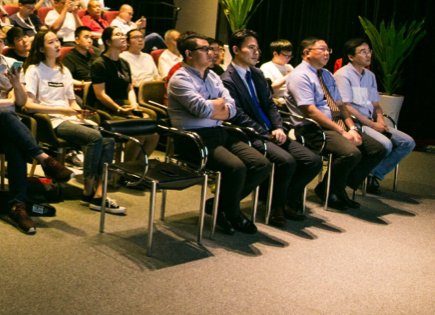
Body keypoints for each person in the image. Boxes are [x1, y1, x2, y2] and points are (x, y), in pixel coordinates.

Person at [0, 21, 74, 234]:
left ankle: (17, 205)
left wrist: (16, 85)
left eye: (0, 40)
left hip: (7, 125)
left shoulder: (12, 64)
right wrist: (8, 102)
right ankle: (43, 159)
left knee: (14, 140)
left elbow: (21, 101)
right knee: (6, 114)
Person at [167, 32, 271, 235]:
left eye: (211, 49)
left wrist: (215, 106)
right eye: (205, 49)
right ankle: (232, 213)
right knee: (236, 168)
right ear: (189, 54)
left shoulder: (213, 76)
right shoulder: (180, 79)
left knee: (261, 164)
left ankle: (219, 205)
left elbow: (232, 108)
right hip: (193, 138)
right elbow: (201, 110)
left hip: (218, 131)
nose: (211, 53)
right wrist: (218, 105)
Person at [220, 30, 321, 227]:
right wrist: (265, 132)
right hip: (251, 134)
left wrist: (278, 127)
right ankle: (276, 207)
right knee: (286, 161)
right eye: (251, 48)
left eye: (257, 48)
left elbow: (270, 104)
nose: (256, 52)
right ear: (236, 50)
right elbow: (237, 115)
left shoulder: (257, 74)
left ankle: (283, 199)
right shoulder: (227, 79)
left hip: (272, 131)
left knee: (313, 161)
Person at [23, 29, 124, 214]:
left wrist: (79, 113)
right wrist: (63, 111)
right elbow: (29, 106)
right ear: (41, 49)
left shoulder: (64, 71)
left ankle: (99, 193)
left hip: (68, 118)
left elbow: (71, 102)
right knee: (94, 137)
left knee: (108, 138)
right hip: (51, 121)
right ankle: (88, 191)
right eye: (51, 42)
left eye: (57, 41)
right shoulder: (34, 70)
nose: (57, 45)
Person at [285, 37, 387, 210]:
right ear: (307, 52)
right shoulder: (300, 75)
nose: (327, 53)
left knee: (377, 149)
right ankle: (332, 190)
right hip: (313, 128)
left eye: (328, 50)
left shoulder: (326, 74)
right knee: (350, 153)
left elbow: (340, 105)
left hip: (336, 124)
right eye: (322, 49)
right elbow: (311, 112)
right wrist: (342, 132)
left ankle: (335, 187)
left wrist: (351, 127)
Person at [335, 38, 415, 195]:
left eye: (369, 51)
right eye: (363, 52)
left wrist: (381, 122)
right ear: (351, 56)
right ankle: (362, 175)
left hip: (370, 121)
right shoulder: (342, 75)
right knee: (386, 145)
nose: (368, 55)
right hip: (356, 123)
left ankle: (372, 174)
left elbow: (376, 105)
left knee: (407, 142)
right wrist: (372, 125)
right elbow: (346, 107)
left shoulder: (370, 75)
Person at [87, 26, 159, 161]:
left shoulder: (124, 63)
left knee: (154, 135)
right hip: (106, 108)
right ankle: (127, 168)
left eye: (123, 34)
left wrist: (134, 104)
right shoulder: (100, 64)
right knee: (139, 133)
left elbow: (129, 88)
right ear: (108, 42)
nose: (123, 37)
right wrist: (119, 109)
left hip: (124, 105)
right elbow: (100, 94)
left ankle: (138, 167)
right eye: (118, 35)